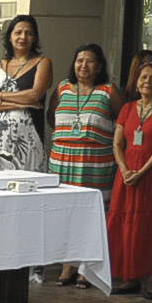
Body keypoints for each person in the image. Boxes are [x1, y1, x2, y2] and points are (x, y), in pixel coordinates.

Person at [48, 42, 120, 286]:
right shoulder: (62, 88)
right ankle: (67, 265)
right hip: (62, 164)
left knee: (91, 217)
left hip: (95, 166)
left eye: (90, 61)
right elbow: (51, 118)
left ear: (99, 66)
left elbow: (123, 124)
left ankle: (87, 268)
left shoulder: (108, 91)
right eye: (80, 60)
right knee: (65, 215)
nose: (84, 65)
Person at [107, 59, 152, 299]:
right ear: (136, 82)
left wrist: (141, 172)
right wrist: (124, 169)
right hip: (127, 174)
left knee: (150, 225)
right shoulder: (127, 108)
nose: (147, 81)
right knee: (127, 222)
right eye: (143, 77)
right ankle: (129, 276)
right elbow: (117, 143)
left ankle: (150, 279)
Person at [0, 15, 50, 173]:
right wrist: (21, 103)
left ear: (34, 38)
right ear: (10, 36)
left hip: (27, 141)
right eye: (18, 32)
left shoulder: (42, 63)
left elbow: (34, 95)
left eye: (29, 33)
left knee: (27, 182)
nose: (23, 37)